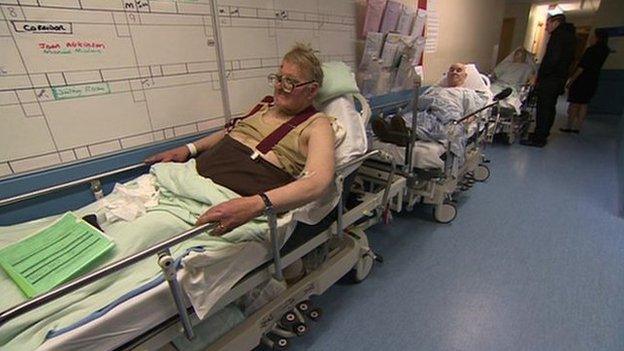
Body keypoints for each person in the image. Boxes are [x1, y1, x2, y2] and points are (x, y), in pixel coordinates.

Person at [145, 43, 335, 236]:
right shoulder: (264, 105)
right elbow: (232, 132)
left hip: (230, 197)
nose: (279, 86)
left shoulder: (317, 124)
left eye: (289, 82)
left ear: (311, 91)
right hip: (190, 178)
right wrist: (190, 148)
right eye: (278, 79)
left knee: (150, 231)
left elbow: (318, 182)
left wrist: (254, 204)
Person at [372, 63, 487, 163]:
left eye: (458, 70)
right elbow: (418, 101)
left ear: (465, 76)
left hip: (446, 113)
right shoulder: (435, 89)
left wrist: (465, 122)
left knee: (434, 124)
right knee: (410, 117)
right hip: (425, 109)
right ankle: (395, 132)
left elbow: (474, 112)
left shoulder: (468, 93)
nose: (454, 72)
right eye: (451, 70)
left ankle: (403, 134)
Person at [521, 14, 576, 147]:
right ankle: (542, 133)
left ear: (556, 22)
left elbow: (552, 60)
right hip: (559, 78)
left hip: (551, 79)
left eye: (548, 24)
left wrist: (540, 77)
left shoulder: (558, 36)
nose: (546, 28)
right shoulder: (570, 36)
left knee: (544, 108)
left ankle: (539, 139)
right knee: (550, 108)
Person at [561, 28, 611, 133]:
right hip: (593, 79)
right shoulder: (605, 50)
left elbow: (581, 68)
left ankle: (569, 125)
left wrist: (571, 80)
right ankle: (578, 127)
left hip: (582, 79)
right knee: (584, 103)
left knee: (575, 103)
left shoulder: (591, 50)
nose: (591, 38)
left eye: (593, 36)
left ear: (597, 38)